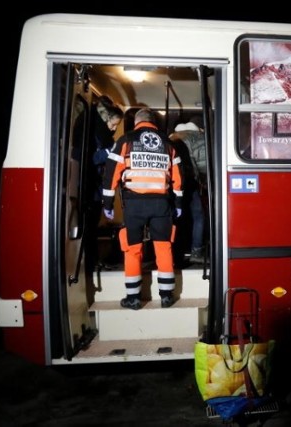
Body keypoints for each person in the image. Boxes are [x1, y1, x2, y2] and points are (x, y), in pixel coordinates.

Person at [101, 108, 183, 310]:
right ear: (153, 122)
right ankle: (166, 296)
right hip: (161, 204)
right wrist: (179, 204)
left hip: (134, 205)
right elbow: (178, 177)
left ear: (137, 121)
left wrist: (107, 203)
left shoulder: (125, 140)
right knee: (163, 248)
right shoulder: (168, 143)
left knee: (133, 250)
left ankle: (133, 298)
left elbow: (111, 173)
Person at [84, 96, 123, 274]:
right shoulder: (94, 135)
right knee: (89, 228)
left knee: (93, 227)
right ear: (105, 118)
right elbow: (90, 158)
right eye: (113, 124)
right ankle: (90, 263)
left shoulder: (104, 136)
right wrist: (108, 152)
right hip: (89, 187)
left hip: (97, 188)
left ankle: (94, 261)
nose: (114, 129)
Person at [169, 120, 207, 264]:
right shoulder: (200, 138)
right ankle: (196, 251)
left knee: (176, 216)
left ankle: (175, 252)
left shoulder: (171, 137)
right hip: (190, 182)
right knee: (198, 216)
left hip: (173, 182)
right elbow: (204, 165)